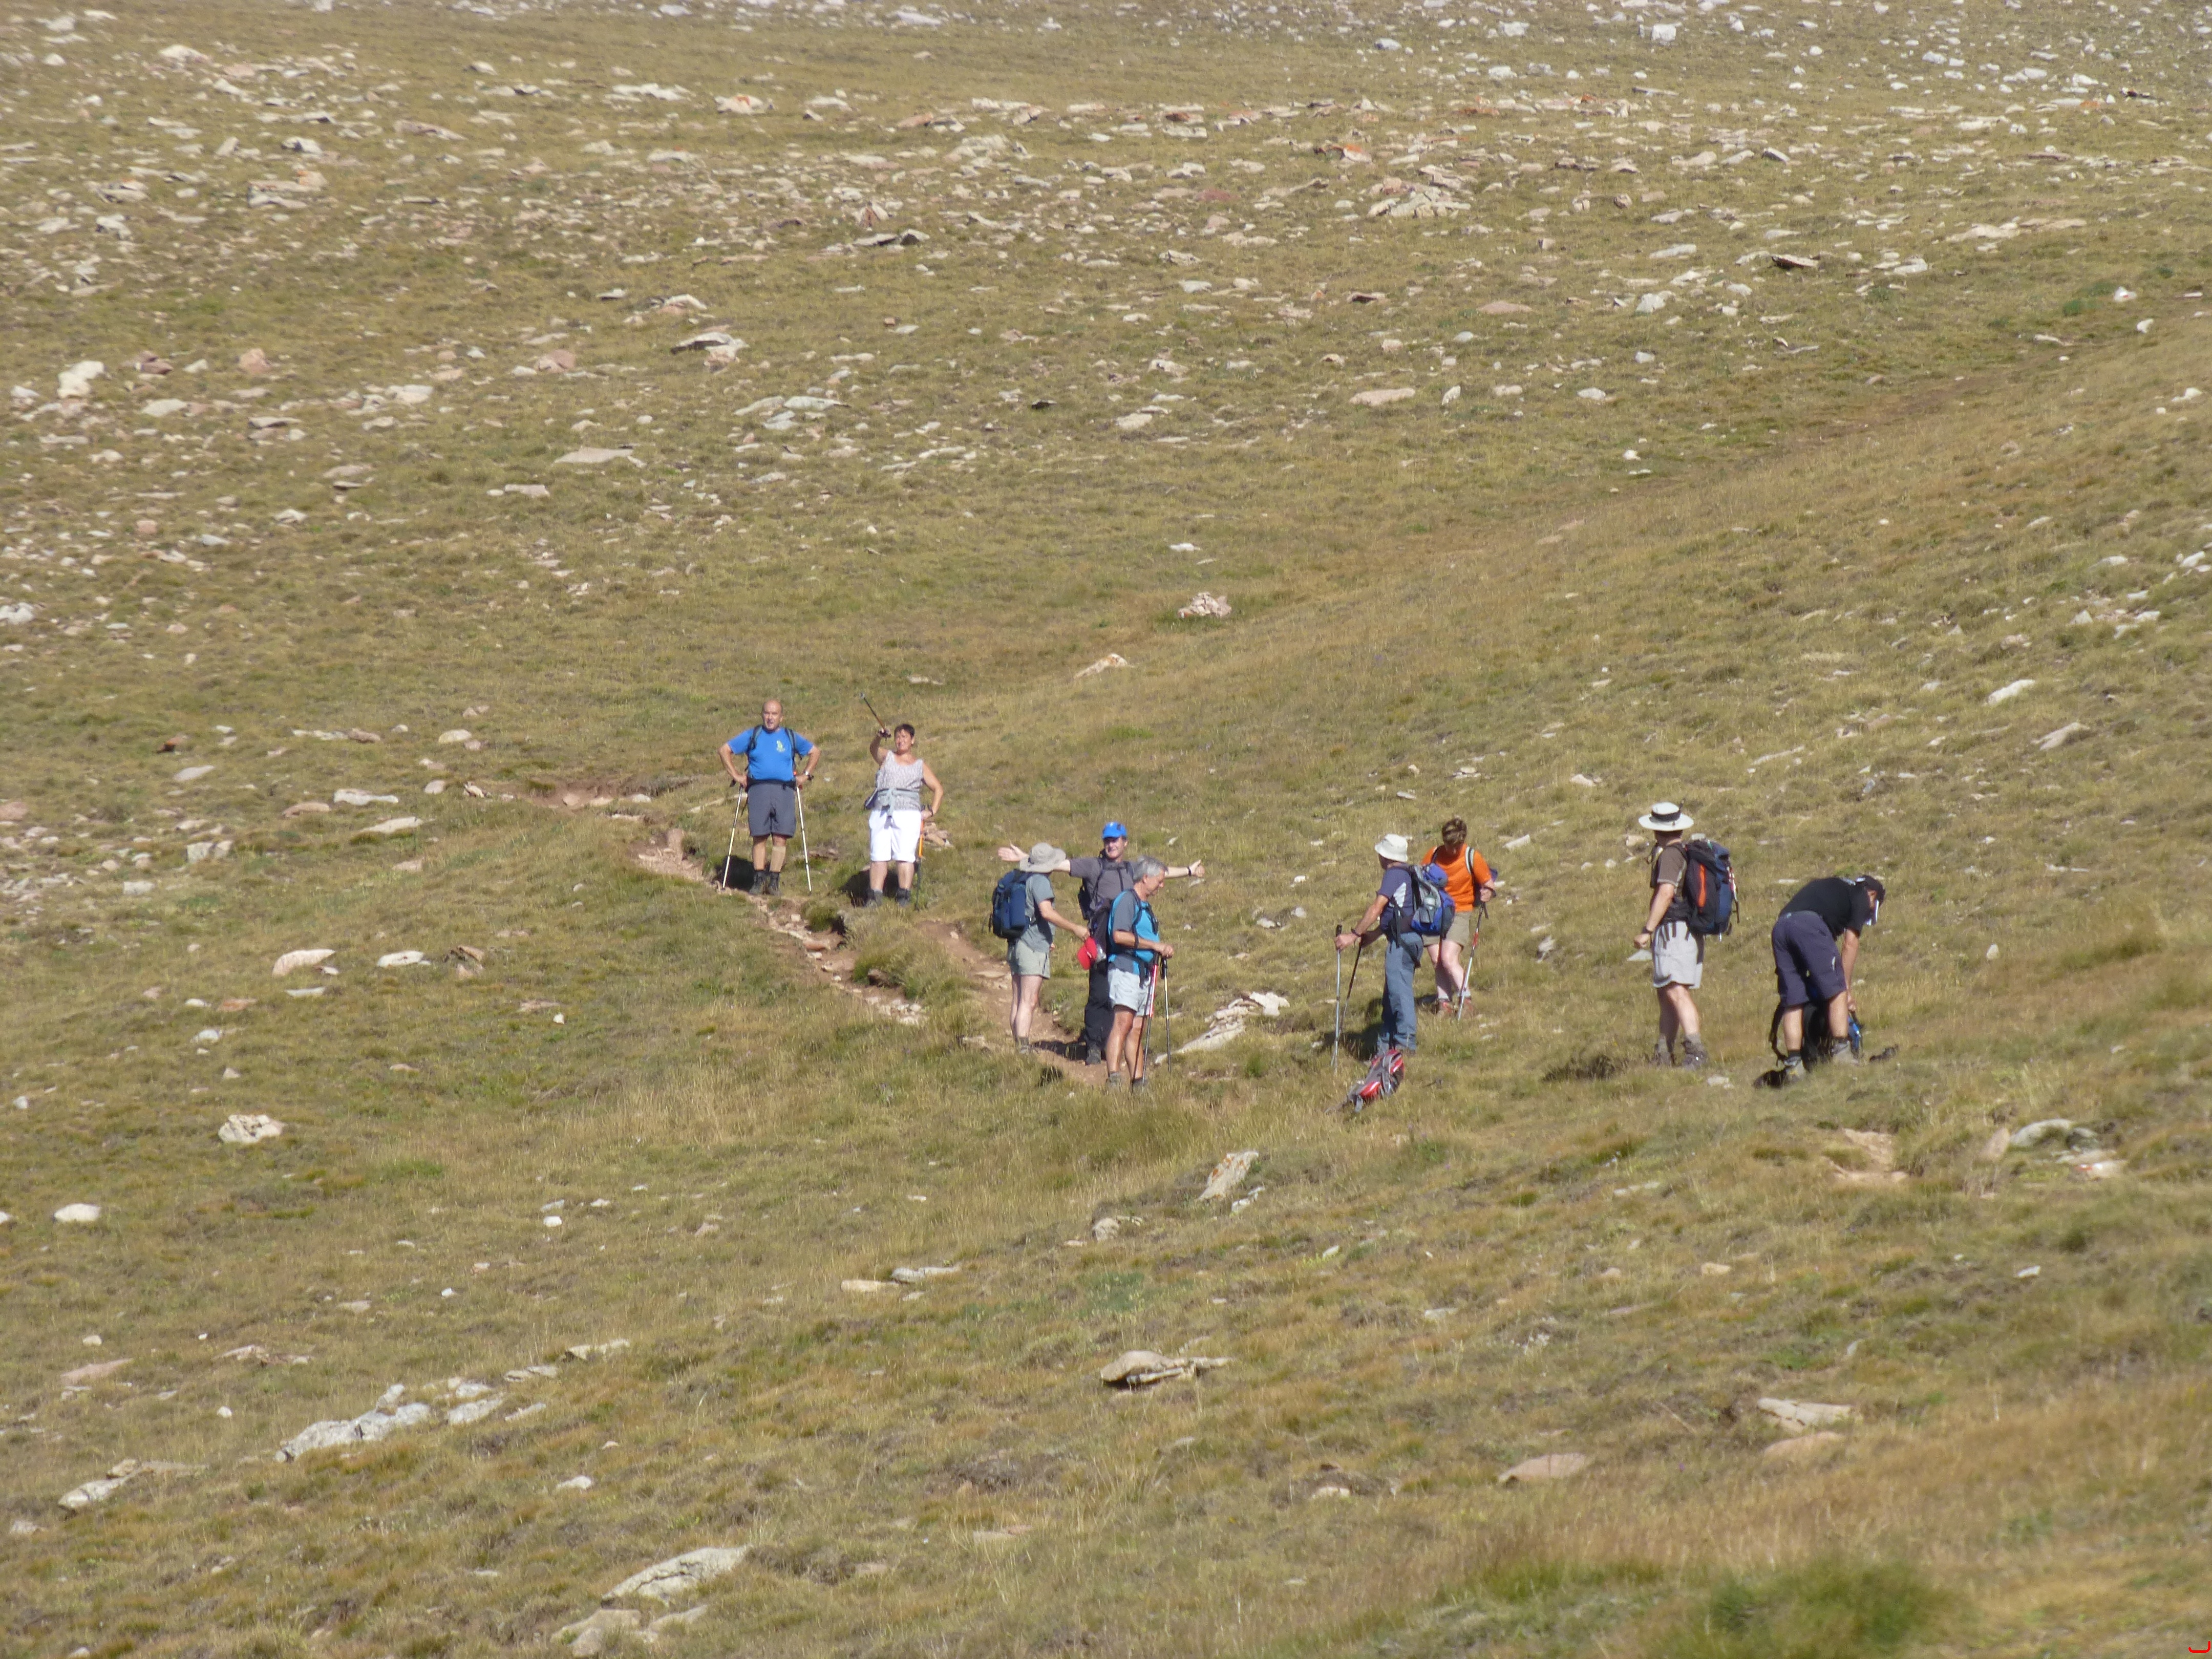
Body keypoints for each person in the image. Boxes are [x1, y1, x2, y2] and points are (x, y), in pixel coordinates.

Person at [995, 824, 1204, 1066]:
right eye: (1107, 840)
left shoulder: (1132, 869)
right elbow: (1062, 865)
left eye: (1116, 840)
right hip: (1101, 940)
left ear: (1125, 842)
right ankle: (1093, 1046)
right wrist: (1027, 858)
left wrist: (1189, 871)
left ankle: (1110, 1044)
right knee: (1099, 992)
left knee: (1121, 997)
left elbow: (1160, 872)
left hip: (1127, 942)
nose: (1111, 844)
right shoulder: (1093, 866)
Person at [1771, 873, 1885, 1082]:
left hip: (1781, 927)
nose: (1867, 914)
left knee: (1794, 1000)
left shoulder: (1834, 886)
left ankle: (1794, 1066)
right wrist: (1847, 988)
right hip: (1809, 925)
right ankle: (1842, 1053)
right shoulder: (1861, 895)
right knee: (1837, 989)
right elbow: (1850, 943)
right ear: (1873, 895)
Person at [1334, 833, 1428, 1060]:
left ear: (1386, 856)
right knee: (1391, 996)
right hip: (1407, 939)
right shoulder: (1406, 874)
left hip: (1402, 943)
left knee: (1399, 993)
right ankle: (1384, 1049)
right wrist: (1375, 935)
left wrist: (1354, 935)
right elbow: (1396, 914)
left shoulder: (1394, 874)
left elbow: (1378, 907)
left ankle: (1406, 1044)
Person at [1631, 802, 1710, 1070]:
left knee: (1676, 991)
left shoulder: (1671, 856)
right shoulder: (1683, 852)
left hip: (1674, 932)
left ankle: (1696, 1051)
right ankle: (1663, 1054)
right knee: (1667, 994)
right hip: (1685, 931)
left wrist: (1648, 930)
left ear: (1656, 830)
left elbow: (1666, 893)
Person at [717, 699, 816, 897]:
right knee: (759, 835)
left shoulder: (790, 736)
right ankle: (758, 880)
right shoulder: (753, 734)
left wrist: (806, 775)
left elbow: (815, 751)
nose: (770, 718)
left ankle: (774, 881)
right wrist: (736, 776)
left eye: (774, 714)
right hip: (758, 789)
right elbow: (724, 750)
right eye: (767, 713)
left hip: (784, 789)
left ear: (782, 717)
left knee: (781, 836)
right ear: (762, 715)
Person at [1004, 841, 1082, 1057]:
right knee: (1028, 1001)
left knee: (1018, 999)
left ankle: (1018, 1046)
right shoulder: (1040, 882)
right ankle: (1023, 1048)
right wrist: (1075, 928)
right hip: (1032, 947)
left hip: (1017, 943)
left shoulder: (1024, 878)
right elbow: (1046, 913)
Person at [1102, 857, 1174, 1089]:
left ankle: (1139, 1082)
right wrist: (1154, 946)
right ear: (1145, 878)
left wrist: (1159, 950)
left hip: (1144, 974)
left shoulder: (1144, 905)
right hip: (1126, 970)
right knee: (1123, 1023)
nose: (1162, 885)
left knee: (1137, 1029)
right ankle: (1114, 1078)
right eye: (1159, 881)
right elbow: (1119, 935)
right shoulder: (1127, 900)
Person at [864, 721, 942, 907]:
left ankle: (904, 897)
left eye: (905, 737)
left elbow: (938, 788)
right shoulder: (887, 757)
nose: (900, 740)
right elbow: (873, 749)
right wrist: (879, 737)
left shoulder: (919, 765)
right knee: (878, 855)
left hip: (908, 814)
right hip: (883, 811)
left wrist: (932, 811)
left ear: (912, 740)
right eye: (898, 737)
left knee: (905, 856)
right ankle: (875, 897)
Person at [1423, 817, 1495, 1014]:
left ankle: (1466, 1000)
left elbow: (1488, 883)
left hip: (1460, 910)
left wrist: (1487, 892)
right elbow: (1420, 879)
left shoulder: (1472, 857)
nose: (1453, 851)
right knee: (1437, 960)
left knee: (1448, 958)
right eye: (1449, 846)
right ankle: (1444, 1004)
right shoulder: (1434, 854)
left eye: (1457, 846)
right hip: (1434, 912)